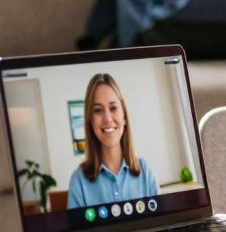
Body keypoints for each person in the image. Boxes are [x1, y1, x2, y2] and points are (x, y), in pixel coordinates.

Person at [67, 73, 160, 209]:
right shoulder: (78, 181)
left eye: (113, 108)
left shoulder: (144, 171)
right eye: (98, 110)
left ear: (124, 117)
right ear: (90, 122)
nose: (107, 119)